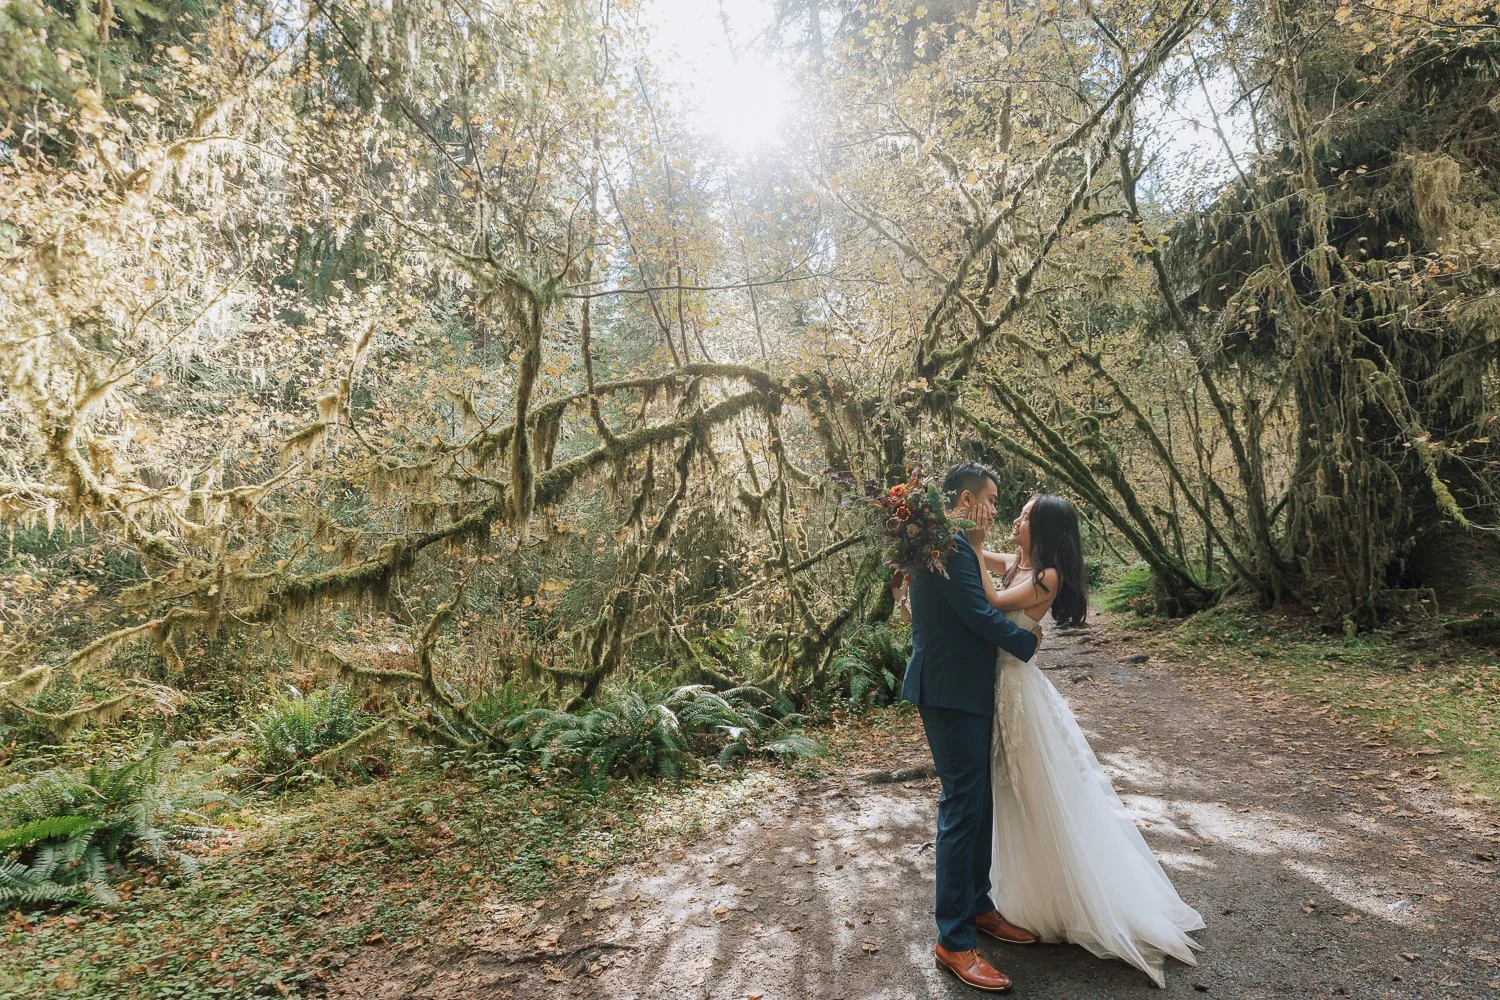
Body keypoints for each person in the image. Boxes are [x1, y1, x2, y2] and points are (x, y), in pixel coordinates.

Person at [973, 493, 1205, 988]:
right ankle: (1026, 893)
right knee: (1009, 793)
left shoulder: (1046, 578)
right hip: (999, 689)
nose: (1014, 519)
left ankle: (1069, 897)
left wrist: (971, 543)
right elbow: (979, 559)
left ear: (1045, 529)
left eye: (1025, 516)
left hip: (1017, 689)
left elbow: (991, 600)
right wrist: (955, 540)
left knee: (1034, 789)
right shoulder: (1018, 561)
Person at [899, 462, 1043, 993]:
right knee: (962, 807)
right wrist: (1030, 643)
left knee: (978, 802)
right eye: (991, 499)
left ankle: (979, 907)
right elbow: (980, 614)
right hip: (950, 691)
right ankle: (954, 941)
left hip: (968, 690)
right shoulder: (949, 549)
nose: (996, 509)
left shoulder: (954, 545)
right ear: (965, 499)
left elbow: (984, 587)